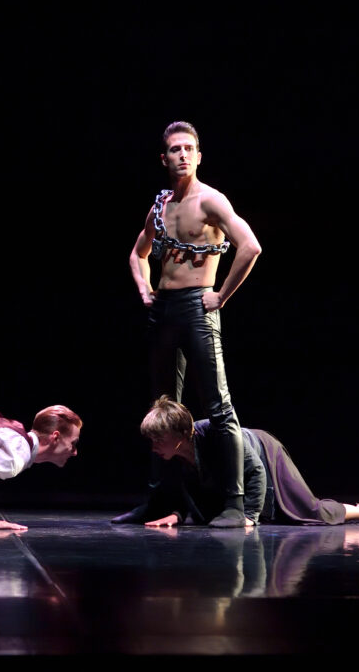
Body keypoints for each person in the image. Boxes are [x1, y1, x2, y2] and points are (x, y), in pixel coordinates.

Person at [128, 121, 263, 528]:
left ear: (199, 156)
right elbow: (138, 254)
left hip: (196, 307)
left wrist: (221, 295)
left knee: (218, 406)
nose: (183, 155)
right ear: (164, 158)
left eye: (189, 148)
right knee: (162, 409)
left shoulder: (211, 201)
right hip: (164, 310)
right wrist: (145, 289)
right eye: (175, 149)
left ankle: (235, 504)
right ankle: (162, 503)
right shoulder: (161, 206)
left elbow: (251, 246)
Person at [111, 397, 359, 527]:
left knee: (307, 511)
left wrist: (250, 515)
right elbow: (189, 492)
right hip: (250, 466)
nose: (153, 447)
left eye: (158, 439)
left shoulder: (218, 435)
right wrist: (177, 515)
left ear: (180, 434)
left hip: (265, 452)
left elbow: (255, 470)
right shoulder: (173, 455)